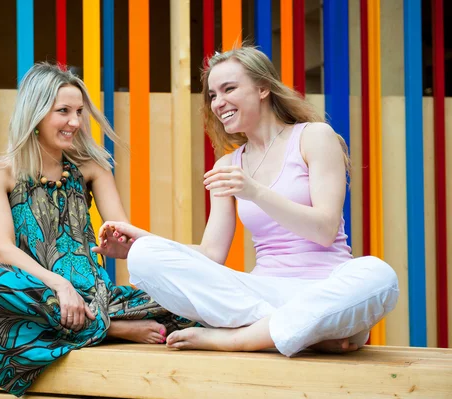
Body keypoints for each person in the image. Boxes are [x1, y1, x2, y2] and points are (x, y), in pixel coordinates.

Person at [96, 46, 399, 357]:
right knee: (146, 256)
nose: (218, 102)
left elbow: (324, 229)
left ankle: (239, 339)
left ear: (263, 87)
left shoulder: (314, 137)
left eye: (229, 89)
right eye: (212, 95)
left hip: (326, 287)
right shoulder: (227, 166)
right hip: (262, 295)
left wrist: (255, 192)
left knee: (379, 277)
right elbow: (211, 254)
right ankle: (306, 331)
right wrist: (138, 243)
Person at [0, 62, 194, 397]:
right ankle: (112, 330)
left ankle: (94, 323)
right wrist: (59, 285)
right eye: (64, 111)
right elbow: (3, 250)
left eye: (79, 112)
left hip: (98, 296)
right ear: (36, 113)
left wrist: (131, 246)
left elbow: (124, 231)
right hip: (42, 294)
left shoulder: (91, 167)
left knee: (191, 308)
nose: (75, 122)